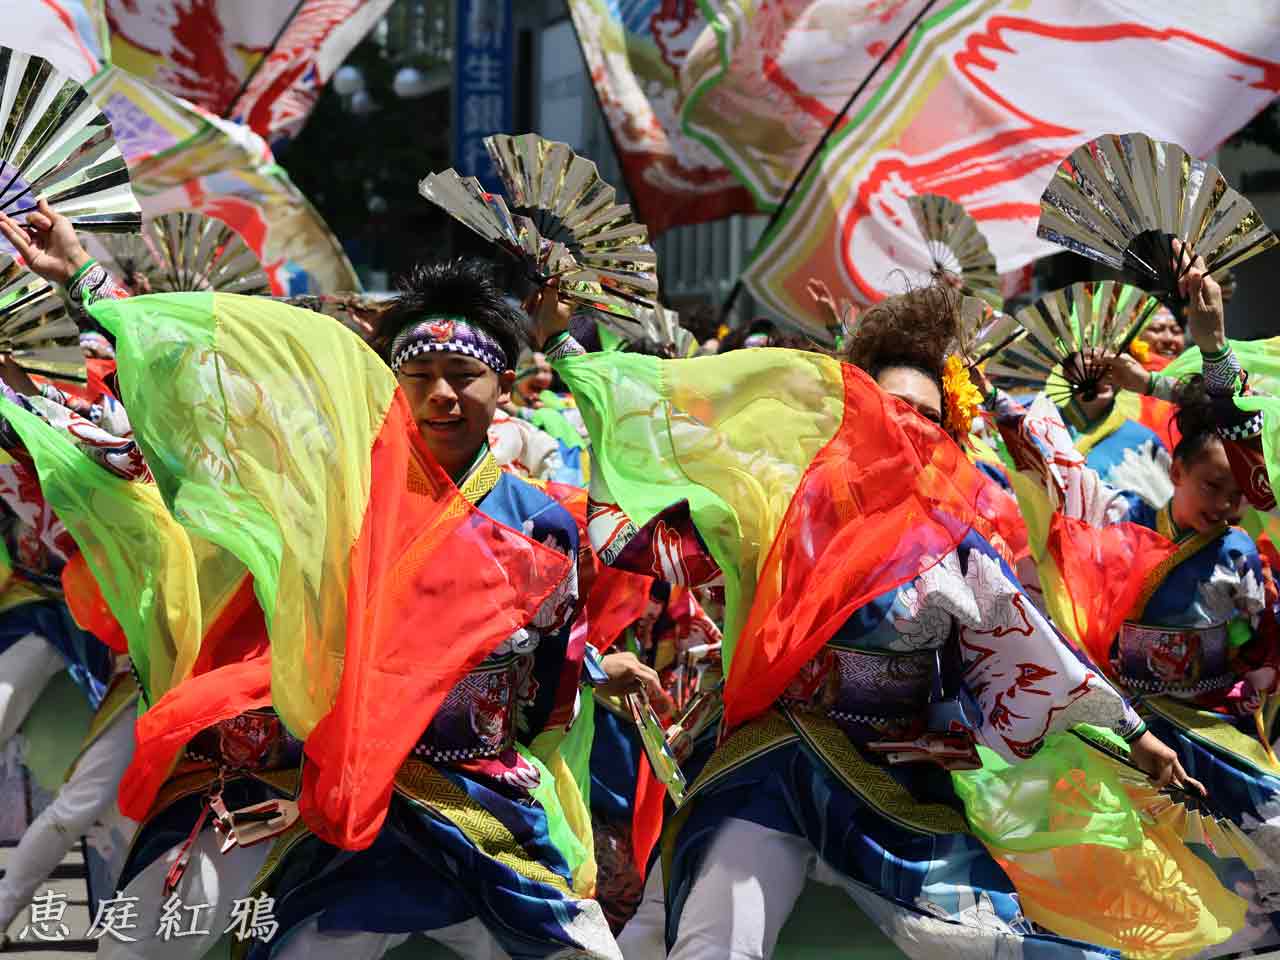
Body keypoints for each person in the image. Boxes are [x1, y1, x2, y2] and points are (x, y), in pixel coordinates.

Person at [540, 280, 1228, 959]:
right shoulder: (777, 513)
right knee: (714, 939)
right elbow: (658, 505)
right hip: (777, 758)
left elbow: (1029, 650)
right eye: (891, 408)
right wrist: (563, 346)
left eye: (927, 418)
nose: (907, 428)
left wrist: (1136, 738)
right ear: (855, 414)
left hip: (900, 778)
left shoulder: (961, 548)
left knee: (1001, 946)